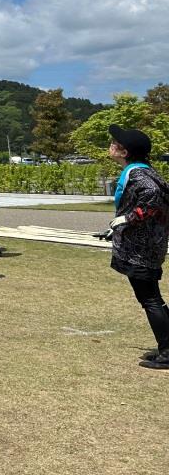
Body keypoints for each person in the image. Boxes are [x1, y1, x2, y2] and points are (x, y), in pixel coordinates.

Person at [103, 125, 169, 369]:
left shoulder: (140, 175)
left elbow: (151, 197)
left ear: (125, 152)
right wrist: (118, 225)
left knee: (150, 298)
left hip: (143, 248)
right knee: (152, 297)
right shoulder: (143, 171)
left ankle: (167, 351)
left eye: (115, 143)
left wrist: (128, 219)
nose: (111, 145)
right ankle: (167, 345)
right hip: (147, 243)